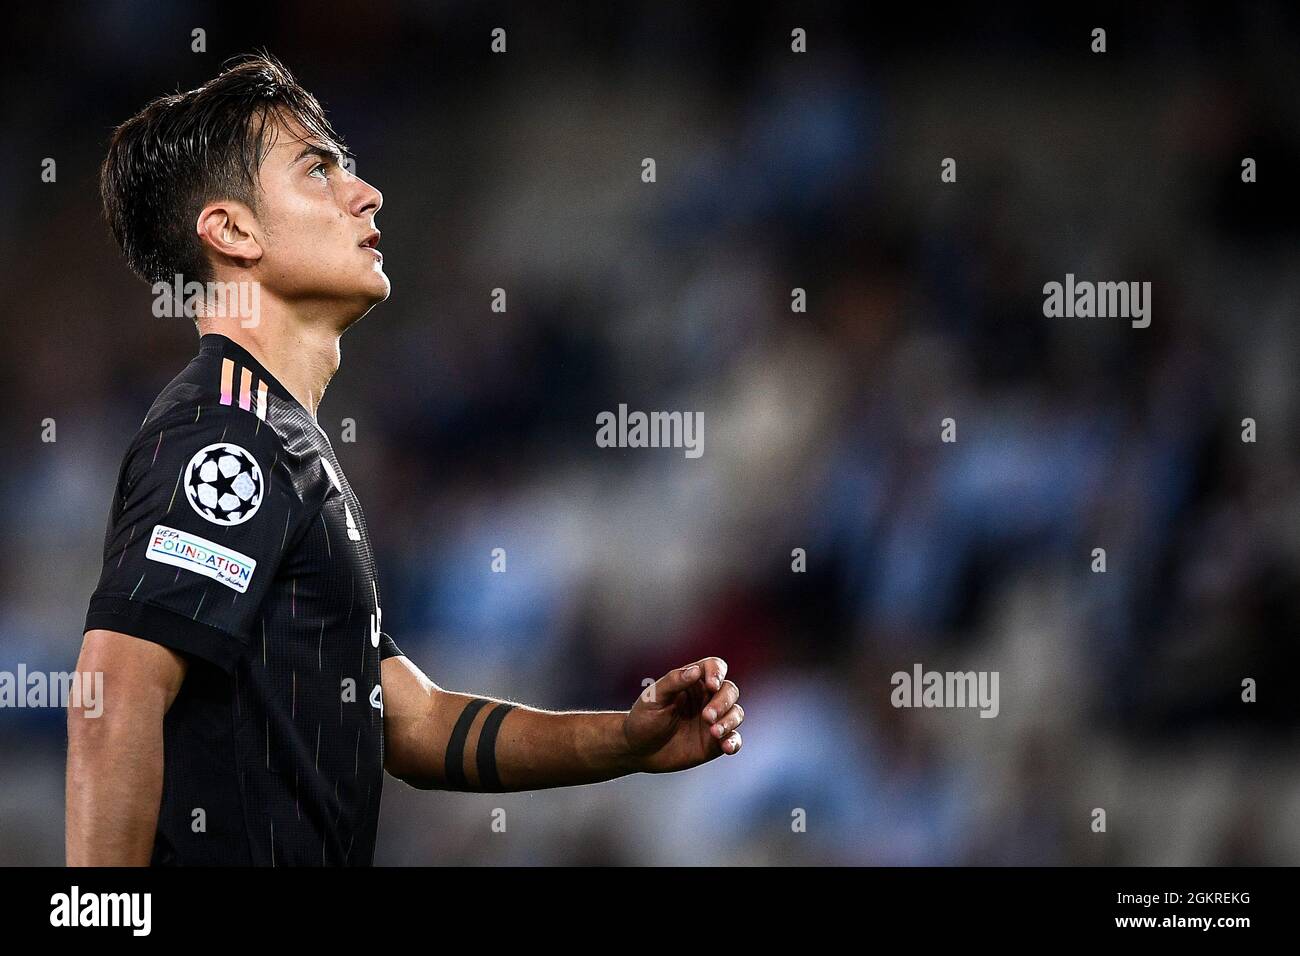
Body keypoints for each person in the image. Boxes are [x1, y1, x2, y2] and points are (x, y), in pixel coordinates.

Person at [67, 54, 743, 866]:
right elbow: (117, 688)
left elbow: (413, 721)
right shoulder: (228, 429)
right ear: (233, 231)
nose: (365, 192)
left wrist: (624, 741)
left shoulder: (282, 436)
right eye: (317, 169)